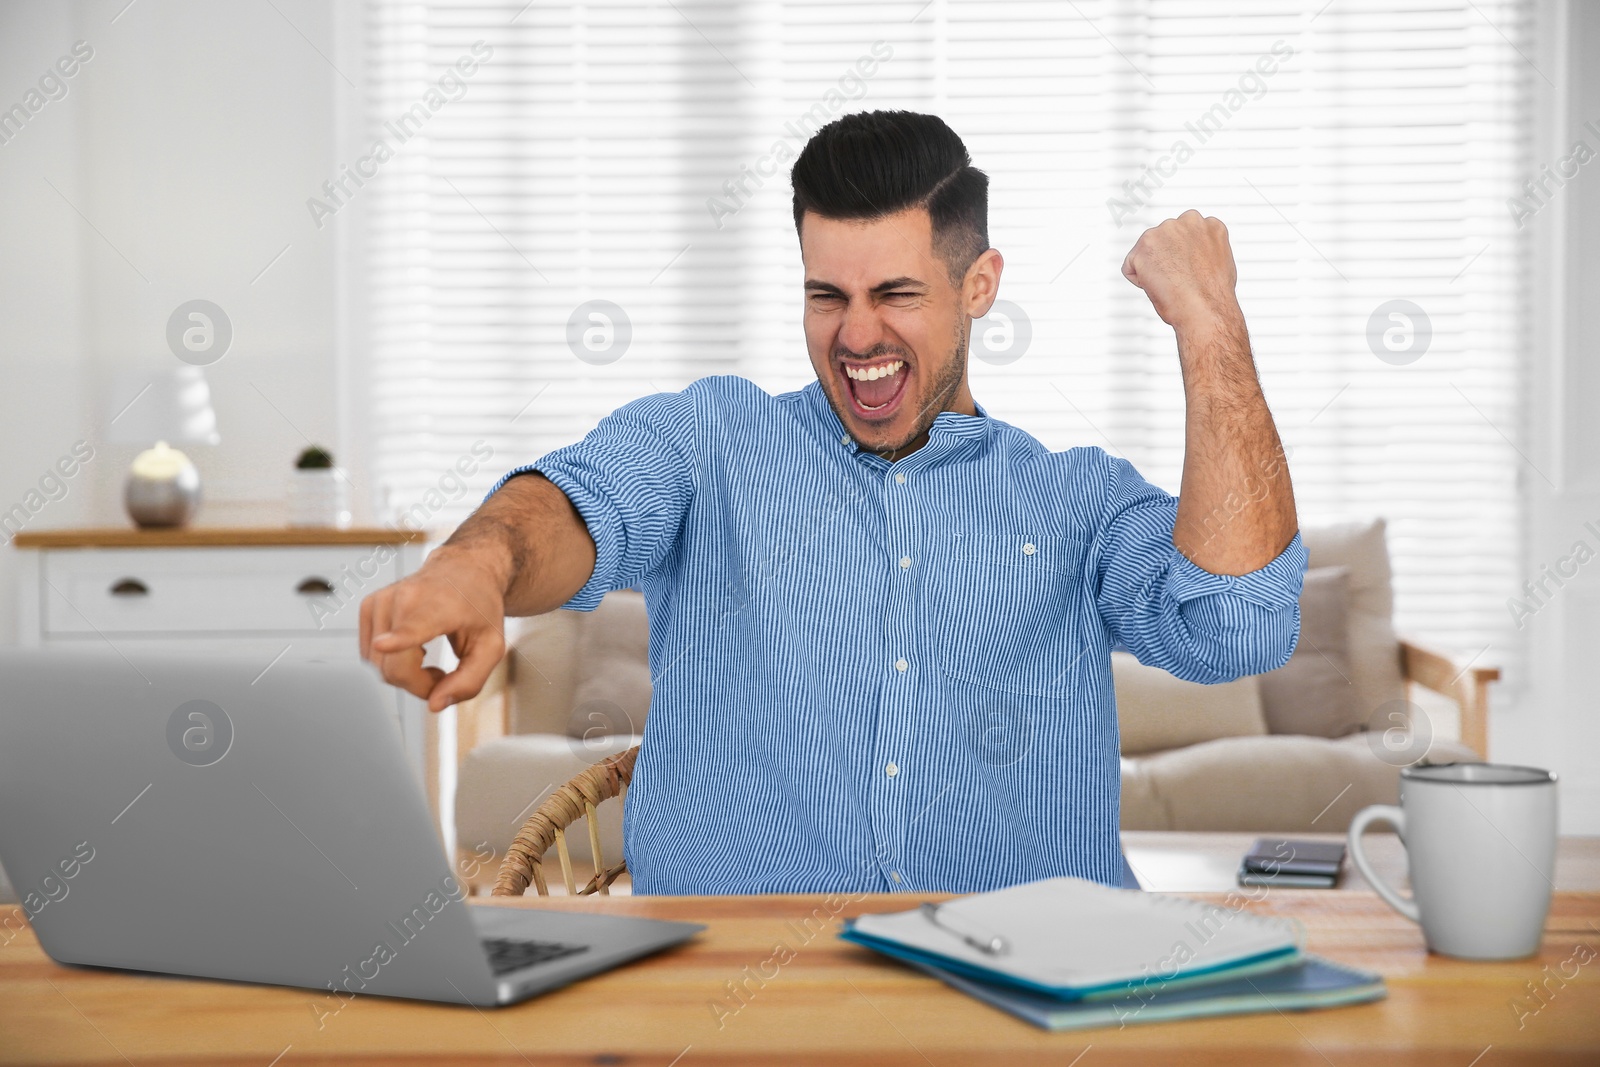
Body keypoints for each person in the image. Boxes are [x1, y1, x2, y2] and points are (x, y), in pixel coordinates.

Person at [360, 110, 1304, 894]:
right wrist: (474, 567)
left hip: (1023, 1006)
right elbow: (579, 502)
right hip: (727, 1008)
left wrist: (1209, 322)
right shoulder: (713, 441)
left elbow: (1238, 627)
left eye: (894, 292)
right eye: (826, 295)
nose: (857, 335)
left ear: (980, 286)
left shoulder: (1078, 500)